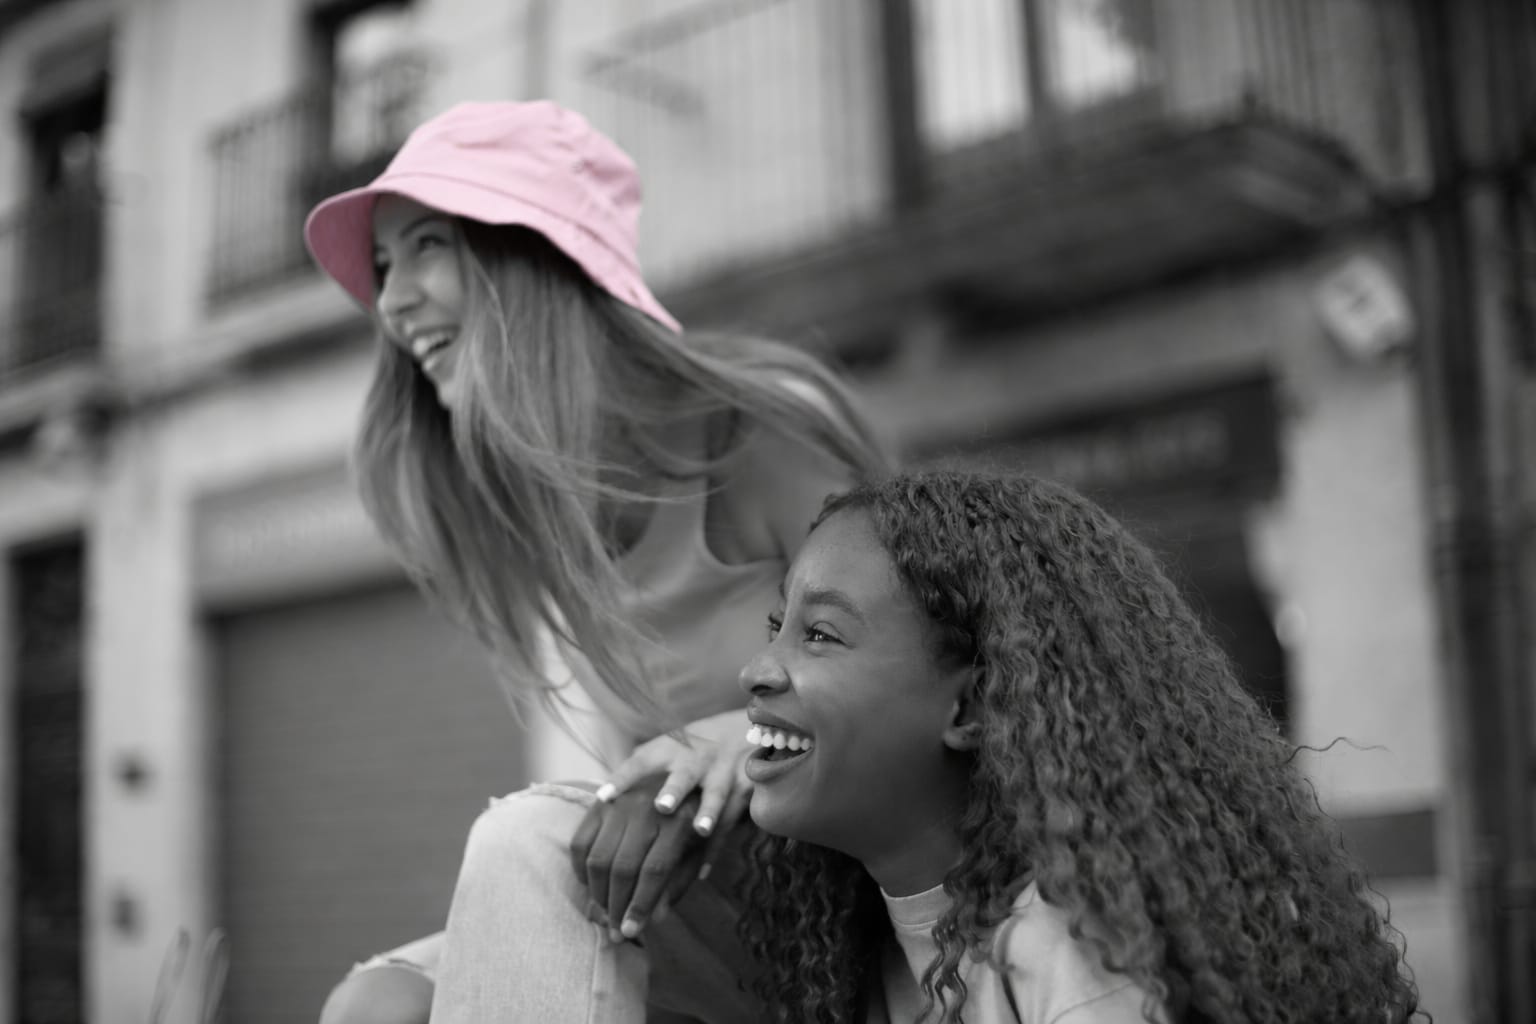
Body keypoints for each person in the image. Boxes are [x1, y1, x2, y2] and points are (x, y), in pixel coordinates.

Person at [302, 99, 889, 1023]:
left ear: (530, 254)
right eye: (383, 267)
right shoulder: (548, 512)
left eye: (424, 247)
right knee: (373, 1003)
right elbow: (639, 790)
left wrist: (746, 734)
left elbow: (927, 661)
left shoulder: (756, 432)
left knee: (525, 838)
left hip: (853, 914)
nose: (392, 300)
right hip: (705, 912)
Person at [737, 470, 1423, 1024]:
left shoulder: (1075, 956)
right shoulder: (845, 946)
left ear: (972, 706)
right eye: (776, 626)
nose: (757, 668)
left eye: (820, 634)